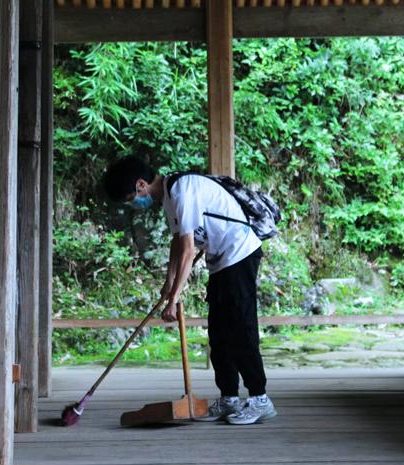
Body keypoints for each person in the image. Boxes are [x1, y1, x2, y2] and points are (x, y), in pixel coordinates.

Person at [102, 155, 276, 425]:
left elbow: (187, 249)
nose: (133, 204)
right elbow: (177, 242)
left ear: (140, 185)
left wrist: (174, 298)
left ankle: (259, 399)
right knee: (219, 334)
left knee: (241, 330)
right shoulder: (170, 196)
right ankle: (229, 397)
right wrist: (168, 284)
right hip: (221, 261)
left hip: (240, 254)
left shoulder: (183, 190)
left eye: (129, 199)